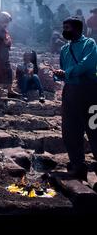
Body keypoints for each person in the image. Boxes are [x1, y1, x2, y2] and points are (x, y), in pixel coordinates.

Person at [54, 17, 97, 181]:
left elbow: (87, 63)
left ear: (78, 29)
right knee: (70, 131)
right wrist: (59, 74)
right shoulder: (65, 49)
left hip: (90, 92)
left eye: (67, 27)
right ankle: (78, 167)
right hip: (70, 92)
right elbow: (64, 71)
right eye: (64, 27)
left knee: (95, 129)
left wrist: (68, 72)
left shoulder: (90, 44)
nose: (64, 30)